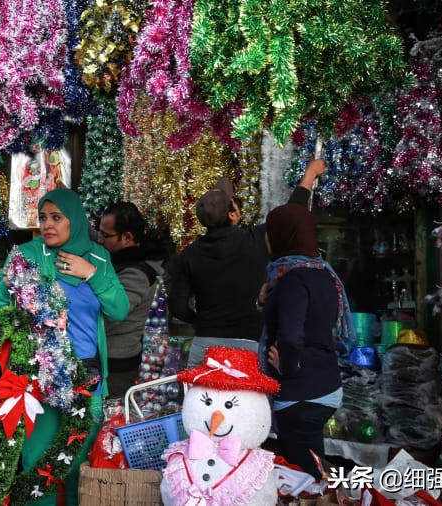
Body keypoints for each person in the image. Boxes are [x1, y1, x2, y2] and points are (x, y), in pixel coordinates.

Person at [0, 188, 129, 505]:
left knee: (78, 463)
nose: (47, 224)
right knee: (37, 465)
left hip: (84, 376)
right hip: (34, 377)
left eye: (56, 217)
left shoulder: (97, 257)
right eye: (42, 217)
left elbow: (119, 310)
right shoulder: (25, 256)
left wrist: (91, 274)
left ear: (74, 220)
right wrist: (7, 288)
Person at [169, 160, 325, 367]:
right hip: (250, 345)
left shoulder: (189, 255)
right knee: (249, 400)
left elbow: (178, 306)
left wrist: (204, 323)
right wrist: (309, 175)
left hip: (205, 345)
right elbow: (291, 213)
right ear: (232, 214)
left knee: (202, 398)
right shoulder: (256, 240)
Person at [261, 202, 353, 480]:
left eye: (270, 231)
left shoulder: (292, 280)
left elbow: (290, 334)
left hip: (303, 391)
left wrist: (288, 365)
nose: (266, 237)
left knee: (303, 474)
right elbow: (317, 324)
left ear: (282, 236)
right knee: (312, 463)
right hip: (323, 383)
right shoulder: (323, 273)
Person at [97, 201, 166, 397]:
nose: (100, 240)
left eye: (106, 235)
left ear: (127, 237)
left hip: (116, 365)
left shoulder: (137, 273)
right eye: (99, 232)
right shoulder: (117, 259)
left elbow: (112, 315)